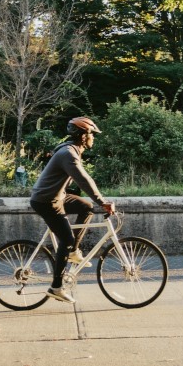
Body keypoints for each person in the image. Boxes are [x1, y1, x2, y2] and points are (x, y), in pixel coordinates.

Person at [29, 116, 114, 303]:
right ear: (84, 135)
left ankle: (74, 251)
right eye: (92, 134)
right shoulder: (68, 154)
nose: (94, 138)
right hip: (46, 201)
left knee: (86, 206)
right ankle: (56, 287)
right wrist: (103, 202)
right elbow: (84, 180)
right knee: (66, 238)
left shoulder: (72, 150)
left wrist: (97, 202)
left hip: (56, 196)